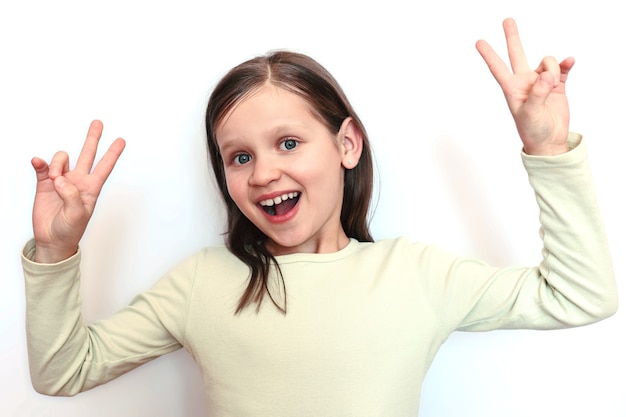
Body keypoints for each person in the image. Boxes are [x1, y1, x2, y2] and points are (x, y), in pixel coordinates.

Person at [21, 18, 617, 416]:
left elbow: (580, 295)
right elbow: (63, 371)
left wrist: (548, 151)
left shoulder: (415, 274)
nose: (261, 175)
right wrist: (55, 251)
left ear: (347, 145)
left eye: (288, 143)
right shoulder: (202, 283)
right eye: (240, 156)